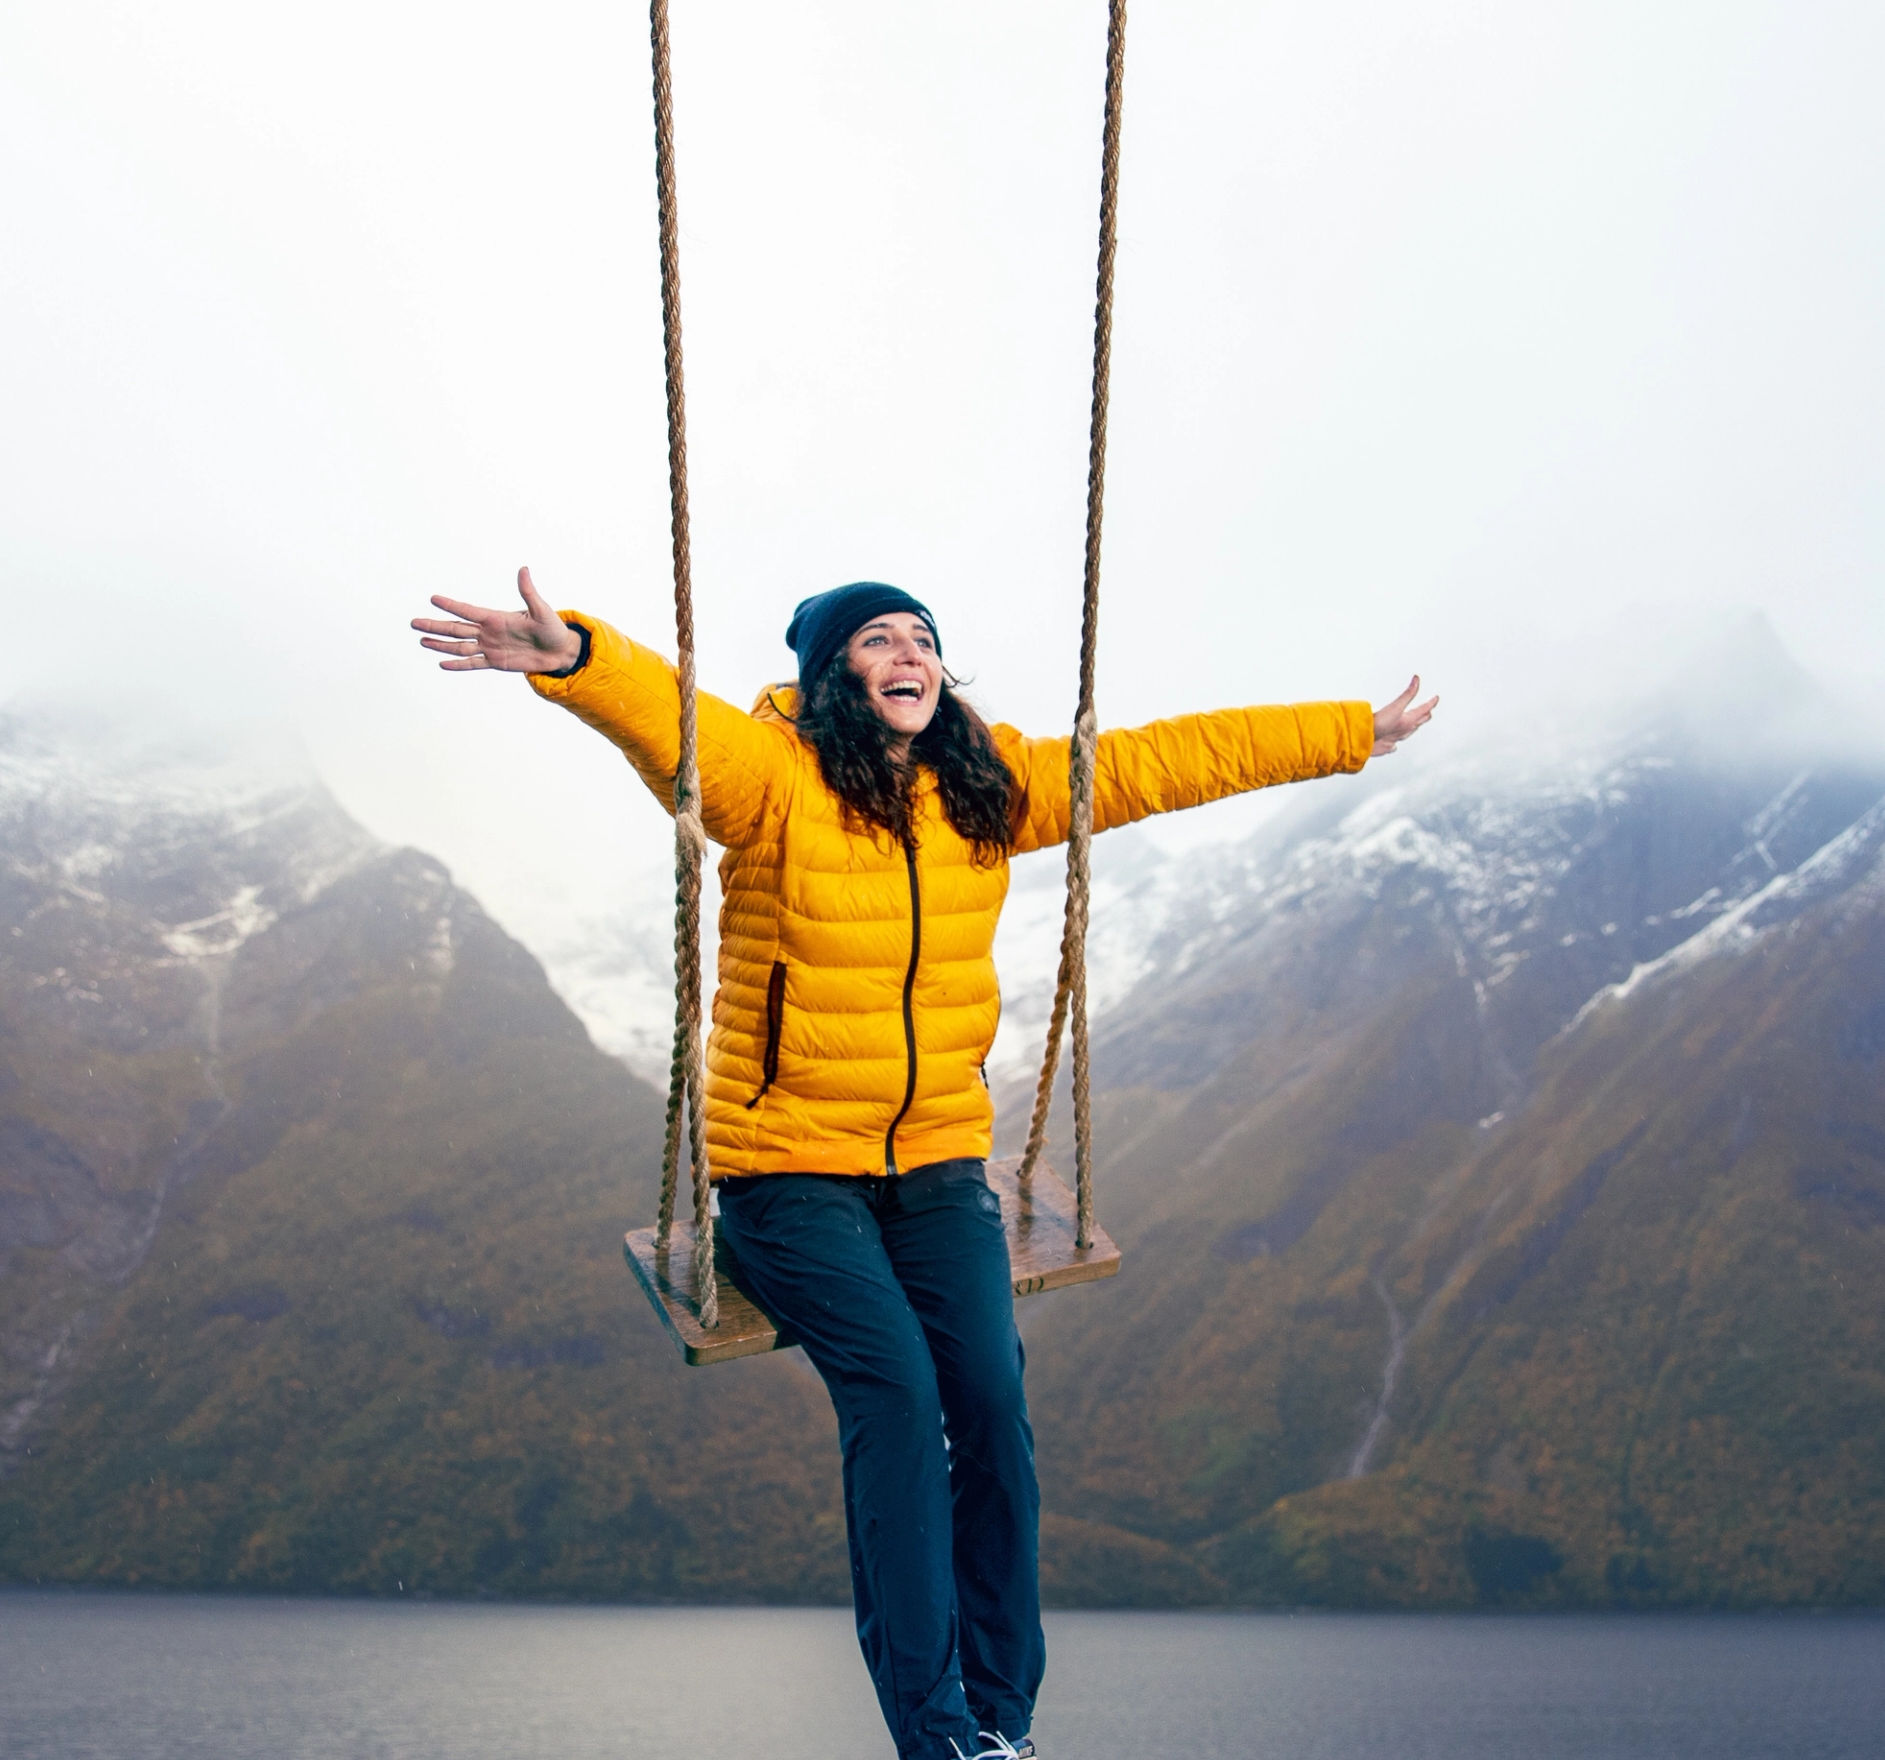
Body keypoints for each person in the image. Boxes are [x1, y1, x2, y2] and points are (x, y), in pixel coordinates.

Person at [411, 569, 1435, 1760]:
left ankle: (1004, 1719)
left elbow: (1168, 759)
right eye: (877, 640)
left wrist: (1350, 735)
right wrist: (579, 655)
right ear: (832, 672)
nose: (910, 655)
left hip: (940, 1163)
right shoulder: (770, 777)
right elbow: (674, 721)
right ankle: (937, 1732)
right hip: (786, 1173)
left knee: (993, 1410)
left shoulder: (988, 790)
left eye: (924, 640)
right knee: (896, 1396)